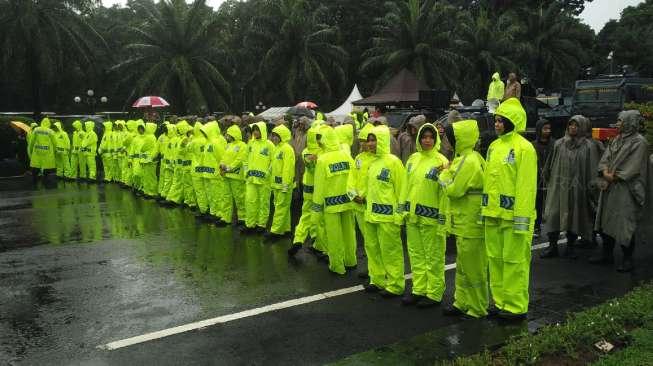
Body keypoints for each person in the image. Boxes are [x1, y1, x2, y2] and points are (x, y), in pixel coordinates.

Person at [482, 97, 537, 320]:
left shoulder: (525, 148)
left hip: (514, 218)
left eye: (500, 121)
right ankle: (500, 302)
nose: (496, 124)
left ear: (511, 121)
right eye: (495, 120)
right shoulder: (494, 147)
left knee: (515, 263)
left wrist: (521, 220)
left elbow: (526, 188)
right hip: (493, 215)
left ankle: (515, 307)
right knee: (495, 260)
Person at [440, 119, 488, 318]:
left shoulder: (468, 160)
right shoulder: (469, 158)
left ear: (459, 139)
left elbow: (453, 190)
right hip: (466, 221)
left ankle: (477, 308)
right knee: (463, 266)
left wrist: (442, 176)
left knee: (473, 268)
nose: (448, 141)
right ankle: (462, 302)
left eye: (451, 137)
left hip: (470, 222)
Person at [591, 110, 649, 272]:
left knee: (624, 223)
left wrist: (614, 176)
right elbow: (605, 158)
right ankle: (607, 254)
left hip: (626, 189)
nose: (617, 124)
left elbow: (634, 166)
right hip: (610, 187)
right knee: (606, 220)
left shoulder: (640, 142)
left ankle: (627, 258)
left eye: (620, 121)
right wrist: (604, 172)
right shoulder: (617, 140)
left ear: (630, 122)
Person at [400, 123, 449, 307]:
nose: (427, 140)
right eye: (424, 137)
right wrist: (402, 210)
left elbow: (445, 194)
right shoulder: (412, 159)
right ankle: (419, 289)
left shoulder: (442, 161)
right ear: (419, 138)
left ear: (436, 139)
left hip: (432, 218)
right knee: (416, 255)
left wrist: (443, 220)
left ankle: (434, 293)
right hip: (412, 216)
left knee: (434, 257)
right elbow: (406, 186)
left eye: (431, 137)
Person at [541, 116, 598, 259]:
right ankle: (552, 246)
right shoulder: (559, 144)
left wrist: (592, 188)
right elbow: (550, 163)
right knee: (553, 214)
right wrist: (548, 179)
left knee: (574, 216)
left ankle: (570, 247)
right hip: (558, 186)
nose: (573, 127)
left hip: (577, 188)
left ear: (583, 127)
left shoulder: (589, 146)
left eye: (576, 125)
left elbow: (592, 168)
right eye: (570, 125)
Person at [363, 125, 406, 298]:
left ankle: (395, 284)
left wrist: (399, 215)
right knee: (372, 249)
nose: (370, 144)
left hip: (388, 218)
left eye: (374, 140)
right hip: (371, 215)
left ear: (382, 141)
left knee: (391, 252)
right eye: (369, 140)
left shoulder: (394, 162)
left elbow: (402, 190)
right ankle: (377, 279)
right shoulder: (372, 163)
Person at [311, 125, 357, 274]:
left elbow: (319, 187)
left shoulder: (322, 160)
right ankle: (351, 261)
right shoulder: (346, 155)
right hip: (348, 201)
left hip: (331, 204)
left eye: (319, 139)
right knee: (349, 233)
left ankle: (337, 266)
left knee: (334, 236)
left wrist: (316, 211)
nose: (318, 142)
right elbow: (354, 178)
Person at [289, 125, 322, 256]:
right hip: (319, 189)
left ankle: (298, 239)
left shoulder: (305, 151)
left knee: (305, 215)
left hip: (308, 188)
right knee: (320, 218)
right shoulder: (323, 152)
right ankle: (318, 244)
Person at [351, 123, 375, 277]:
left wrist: (364, 197)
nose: (364, 144)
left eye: (366, 140)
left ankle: (377, 269)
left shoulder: (377, 159)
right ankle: (373, 268)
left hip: (370, 205)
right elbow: (352, 179)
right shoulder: (358, 158)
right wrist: (354, 195)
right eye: (361, 141)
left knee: (374, 241)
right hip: (358, 205)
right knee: (368, 240)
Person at [243, 121, 274, 233]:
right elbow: (245, 159)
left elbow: (273, 161)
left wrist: (267, 173)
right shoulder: (250, 143)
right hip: (251, 179)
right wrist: (246, 171)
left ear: (262, 130)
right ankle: (250, 224)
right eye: (254, 130)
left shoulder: (269, 145)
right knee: (250, 201)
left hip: (264, 180)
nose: (255, 132)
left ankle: (261, 225)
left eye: (257, 130)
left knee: (263, 202)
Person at [267, 124, 295, 239]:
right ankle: (286, 229)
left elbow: (287, 168)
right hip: (276, 184)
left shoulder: (287, 149)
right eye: (272, 136)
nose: (273, 138)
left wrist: (285, 184)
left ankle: (275, 231)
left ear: (282, 136)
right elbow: (274, 165)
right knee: (284, 208)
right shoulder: (277, 148)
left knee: (280, 207)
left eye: (276, 136)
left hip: (284, 185)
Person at [221, 125, 248, 225]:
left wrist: (228, 168)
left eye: (228, 134)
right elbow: (223, 157)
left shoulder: (243, 146)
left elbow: (240, 160)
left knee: (240, 198)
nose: (227, 136)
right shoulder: (228, 145)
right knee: (226, 197)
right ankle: (225, 217)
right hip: (227, 175)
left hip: (237, 176)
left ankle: (242, 218)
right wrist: (221, 166)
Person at [531, 118, 554, 235]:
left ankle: (553, 228)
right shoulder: (532, 145)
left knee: (552, 205)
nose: (547, 131)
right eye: (545, 128)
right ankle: (537, 226)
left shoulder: (554, 145)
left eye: (549, 128)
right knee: (537, 204)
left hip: (551, 179)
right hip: (537, 179)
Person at [28, 117, 57, 182]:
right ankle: (45, 179)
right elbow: (55, 142)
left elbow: (32, 141)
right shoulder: (50, 131)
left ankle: (34, 180)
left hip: (37, 151)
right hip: (47, 151)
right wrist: (55, 151)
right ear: (49, 123)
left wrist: (30, 149)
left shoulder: (36, 130)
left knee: (36, 165)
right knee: (47, 166)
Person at [139, 122, 159, 198]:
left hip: (149, 159)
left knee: (150, 177)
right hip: (148, 159)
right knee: (148, 176)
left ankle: (151, 192)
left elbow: (144, 147)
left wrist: (141, 150)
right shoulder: (151, 136)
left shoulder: (149, 137)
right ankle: (148, 191)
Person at [158, 123, 176, 200]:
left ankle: (167, 194)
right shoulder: (161, 137)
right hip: (164, 160)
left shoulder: (174, 139)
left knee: (171, 179)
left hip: (172, 162)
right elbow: (157, 147)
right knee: (163, 177)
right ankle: (161, 192)